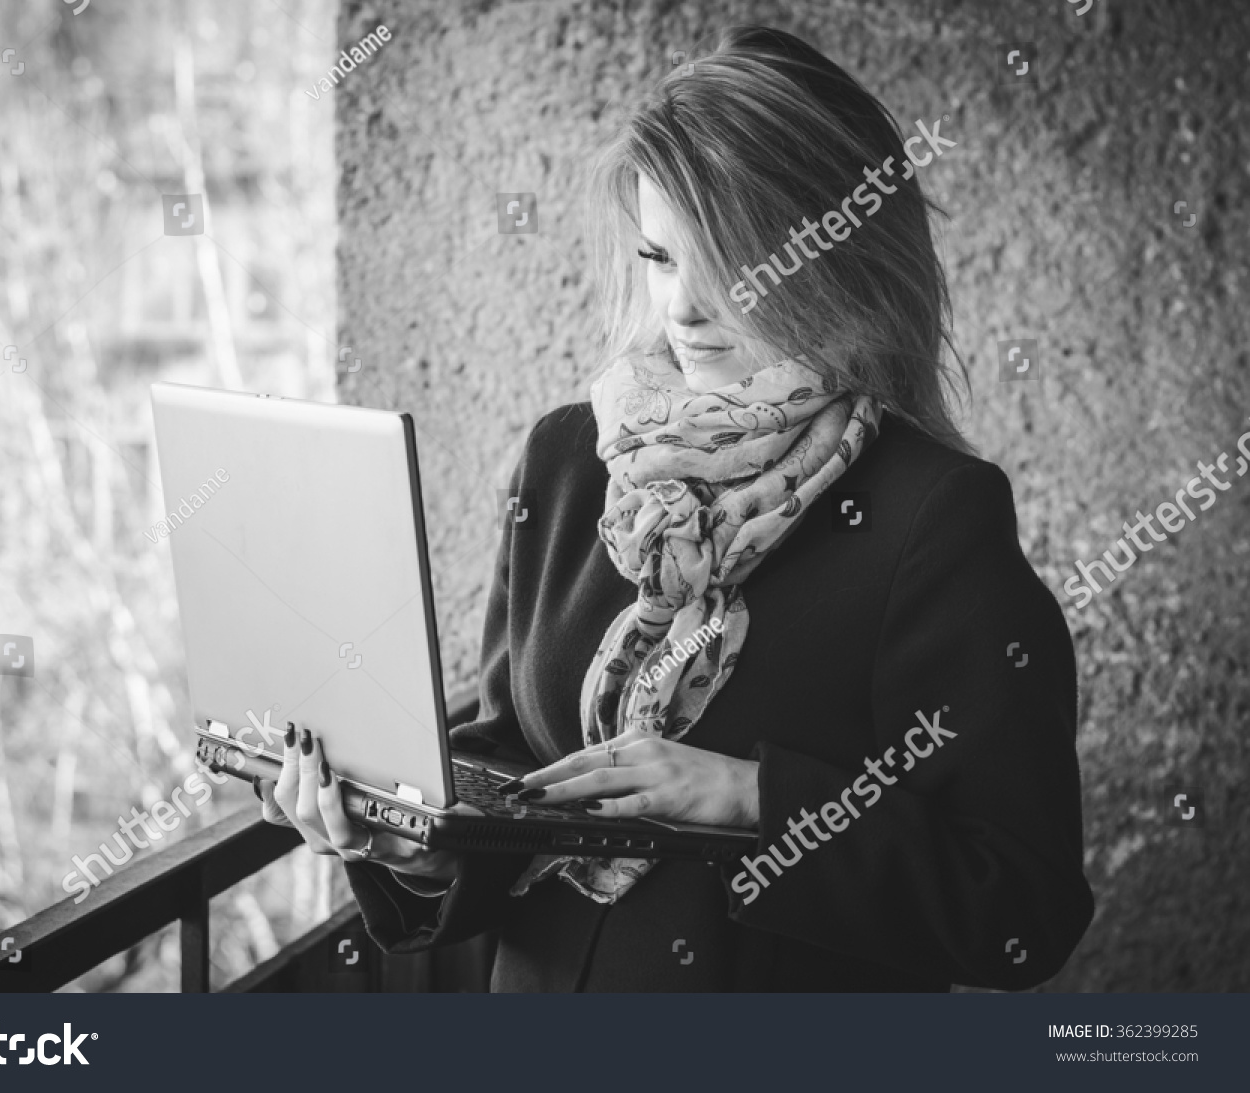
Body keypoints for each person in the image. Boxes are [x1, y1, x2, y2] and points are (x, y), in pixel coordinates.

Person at [258, 24, 1094, 991]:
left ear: (837, 259)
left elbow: (1021, 908)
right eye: (659, 256)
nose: (681, 309)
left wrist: (751, 798)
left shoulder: (932, 516)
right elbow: (516, 762)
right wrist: (411, 842)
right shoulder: (572, 459)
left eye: (730, 264)